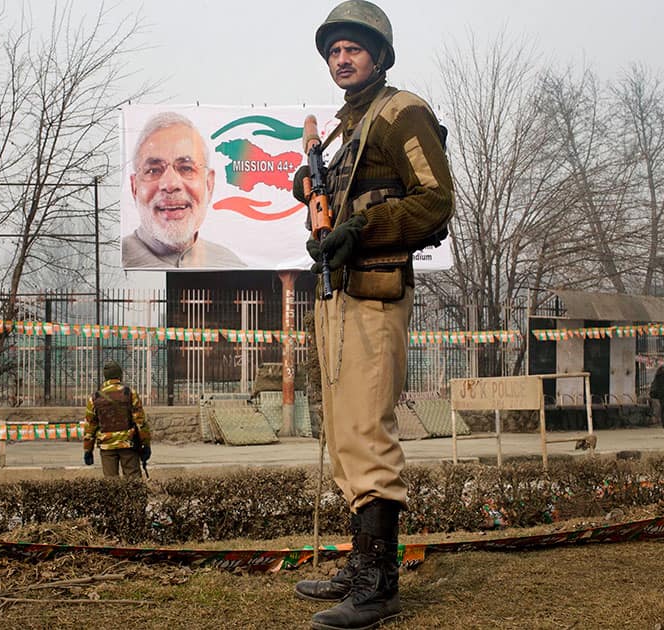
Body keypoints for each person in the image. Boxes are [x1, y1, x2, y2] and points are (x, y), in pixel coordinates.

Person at [291, 2, 454, 628]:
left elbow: (435, 201)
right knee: (342, 433)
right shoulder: (341, 130)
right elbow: (332, 200)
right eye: (333, 49)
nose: (341, 56)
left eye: (354, 46)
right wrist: (315, 196)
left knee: (367, 430)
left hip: (375, 292)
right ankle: (362, 563)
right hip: (337, 294)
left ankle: (379, 583)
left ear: (380, 55)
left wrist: (360, 227)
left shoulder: (400, 112)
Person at [121, 111, 246, 269]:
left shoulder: (231, 265)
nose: (170, 184)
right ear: (134, 187)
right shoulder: (116, 262)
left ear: (209, 184)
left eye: (186, 168)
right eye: (153, 170)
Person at [82, 360, 151, 478]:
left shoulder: (94, 398)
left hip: (107, 446)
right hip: (128, 444)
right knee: (133, 480)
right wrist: (145, 444)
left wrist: (88, 449)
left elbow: (90, 426)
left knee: (111, 483)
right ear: (120, 375)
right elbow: (140, 422)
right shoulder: (129, 393)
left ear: (105, 377)